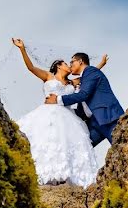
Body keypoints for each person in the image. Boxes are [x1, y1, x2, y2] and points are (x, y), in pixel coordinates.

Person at [11, 38, 107, 187]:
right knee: (47, 141)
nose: (69, 66)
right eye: (66, 64)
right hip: (48, 113)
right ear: (58, 66)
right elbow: (31, 67)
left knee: (65, 143)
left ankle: (64, 176)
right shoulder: (48, 77)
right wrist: (22, 48)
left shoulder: (71, 83)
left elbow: (89, 77)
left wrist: (100, 64)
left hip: (68, 116)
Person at [45, 52, 124, 147]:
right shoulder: (85, 78)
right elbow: (83, 103)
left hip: (108, 118)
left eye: (72, 62)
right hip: (94, 122)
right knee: (81, 148)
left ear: (80, 61)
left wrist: (57, 99)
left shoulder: (90, 71)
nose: (70, 65)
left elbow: (84, 95)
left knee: (121, 146)